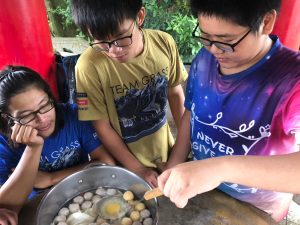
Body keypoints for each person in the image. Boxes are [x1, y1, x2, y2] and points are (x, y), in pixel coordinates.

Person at [158, 0, 300, 222]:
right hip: (204, 191)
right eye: (205, 36)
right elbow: (191, 114)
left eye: (227, 41)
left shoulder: (292, 81)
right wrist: (175, 163)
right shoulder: (204, 60)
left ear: (266, 22)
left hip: (256, 208)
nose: (214, 49)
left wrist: (220, 168)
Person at [71, 0, 188, 187]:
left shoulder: (164, 43)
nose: (114, 50)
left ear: (139, 17)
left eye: (121, 38)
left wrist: (180, 151)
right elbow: (102, 126)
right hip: (124, 166)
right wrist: (137, 169)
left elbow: (175, 95)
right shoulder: (88, 67)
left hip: (167, 150)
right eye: (101, 42)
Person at [0, 66, 115, 201]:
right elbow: (6, 204)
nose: (42, 119)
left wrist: (51, 179)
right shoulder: (3, 144)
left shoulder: (74, 116)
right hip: (38, 204)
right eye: (26, 116)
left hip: (83, 194)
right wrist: (33, 148)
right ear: (8, 119)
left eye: (44, 105)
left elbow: (106, 163)